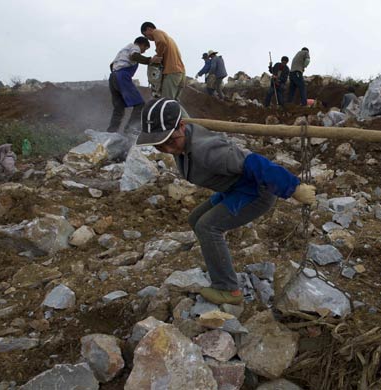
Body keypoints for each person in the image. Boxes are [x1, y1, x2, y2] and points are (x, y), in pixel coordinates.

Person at [136, 98, 316, 305]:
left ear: (182, 126)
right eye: (159, 145)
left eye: (170, 141)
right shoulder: (184, 137)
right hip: (233, 189)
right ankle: (217, 261)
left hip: (255, 193)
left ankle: (228, 289)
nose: (167, 149)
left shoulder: (209, 152)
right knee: (196, 219)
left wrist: (293, 187)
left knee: (207, 227)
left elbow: (254, 162)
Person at [107, 37, 157, 133]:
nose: (143, 52)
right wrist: (150, 60)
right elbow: (134, 56)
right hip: (122, 76)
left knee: (119, 108)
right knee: (140, 104)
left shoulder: (123, 50)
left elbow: (112, 65)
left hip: (113, 77)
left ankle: (111, 131)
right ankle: (130, 129)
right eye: (145, 49)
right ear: (141, 45)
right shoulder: (135, 47)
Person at [140, 22, 186, 100]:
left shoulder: (157, 32)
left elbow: (161, 42)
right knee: (174, 103)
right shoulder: (168, 38)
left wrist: (159, 56)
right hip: (180, 73)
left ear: (149, 29)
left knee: (166, 102)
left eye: (145, 35)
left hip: (172, 72)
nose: (147, 38)